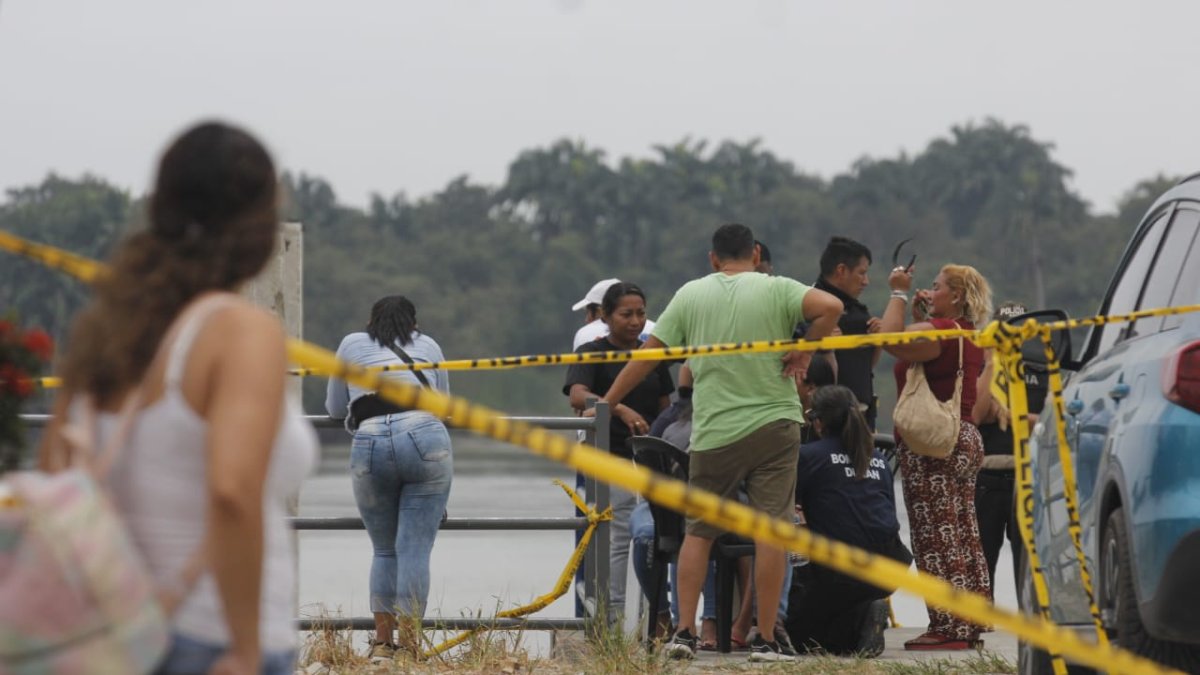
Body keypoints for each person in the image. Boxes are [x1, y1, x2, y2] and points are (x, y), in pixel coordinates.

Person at [38, 121, 316, 675]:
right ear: (256, 222)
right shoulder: (239, 332)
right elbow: (232, 490)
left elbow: (54, 472)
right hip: (209, 637)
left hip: (112, 637)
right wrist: (244, 650)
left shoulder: (107, 332)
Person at [596, 223, 843, 662]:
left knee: (699, 531)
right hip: (774, 424)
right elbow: (832, 306)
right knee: (772, 532)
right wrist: (806, 349)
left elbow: (649, 355)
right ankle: (766, 638)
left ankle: (684, 632)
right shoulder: (778, 288)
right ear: (756, 254)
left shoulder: (691, 294)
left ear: (713, 259)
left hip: (715, 431)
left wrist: (608, 402)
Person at [325, 296, 452, 661]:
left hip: (369, 439)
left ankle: (382, 645)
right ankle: (410, 647)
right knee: (414, 550)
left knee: (384, 550)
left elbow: (335, 408)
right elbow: (443, 405)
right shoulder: (429, 345)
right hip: (425, 435)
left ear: (371, 320)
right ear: (414, 323)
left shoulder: (351, 344)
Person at [880, 262, 992, 650]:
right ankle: (970, 620)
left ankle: (948, 626)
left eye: (937, 286)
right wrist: (919, 317)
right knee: (963, 532)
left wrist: (898, 292)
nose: (931, 291)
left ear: (956, 295)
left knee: (934, 535)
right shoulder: (966, 333)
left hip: (934, 446)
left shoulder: (942, 332)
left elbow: (890, 340)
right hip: (965, 436)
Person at [563, 282, 675, 624]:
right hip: (611, 456)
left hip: (650, 460)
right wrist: (618, 408)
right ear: (606, 316)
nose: (635, 321)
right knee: (619, 535)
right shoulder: (593, 352)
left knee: (655, 535)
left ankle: (655, 615)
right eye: (626, 314)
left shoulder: (650, 355)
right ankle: (611, 618)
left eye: (641, 313)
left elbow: (665, 406)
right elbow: (578, 395)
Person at [785, 386, 912, 657]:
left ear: (818, 422)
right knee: (832, 625)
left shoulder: (808, 456)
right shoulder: (878, 458)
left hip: (839, 568)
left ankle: (862, 615)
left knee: (800, 637)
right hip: (890, 564)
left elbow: (785, 508)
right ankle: (863, 612)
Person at [973, 302, 1043, 601]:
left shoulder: (1043, 367)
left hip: (1028, 477)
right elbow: (977, 415)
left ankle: (1030, 621)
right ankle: (978, 621)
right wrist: (991, 363)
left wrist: (1012, 415)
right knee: (980, 562)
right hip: (987, 475)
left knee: (1030, 565)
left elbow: (1053, 420)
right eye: (1005, 329)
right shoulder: (983, 366)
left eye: (1018, 330)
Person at [813, 236, 881, 429]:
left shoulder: (858, 311)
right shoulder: (811, 307)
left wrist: (877, 341)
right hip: (826, 419)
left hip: (862, 415)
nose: (866, 281)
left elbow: (864, 365)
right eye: (862, 273)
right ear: (841, 271)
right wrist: (823, 347)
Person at [572, 278, 621, 350]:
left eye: (588, 312)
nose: (586, 320)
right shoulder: (636, 331)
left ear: (600, 312)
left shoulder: (585, 333)